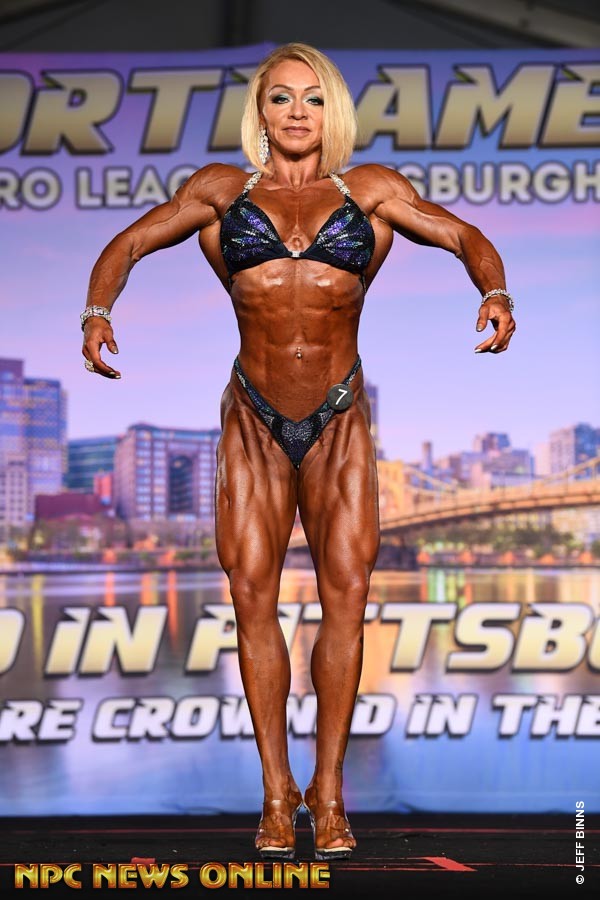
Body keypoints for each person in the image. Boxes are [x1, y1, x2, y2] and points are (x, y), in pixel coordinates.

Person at [80, 42, 516, 860]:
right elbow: (129, 244)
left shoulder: (370, 192)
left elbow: (464, 236)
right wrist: (97, 311)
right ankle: (277, 793)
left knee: (347, 598)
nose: (297, 112)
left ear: (331, 111)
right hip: (252, 419)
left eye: (313, 98)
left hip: (339, 419)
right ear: (261, 111)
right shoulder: (221, 191)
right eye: (281, 97)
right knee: (253, 599)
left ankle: (331, 791)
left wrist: (494, 292)